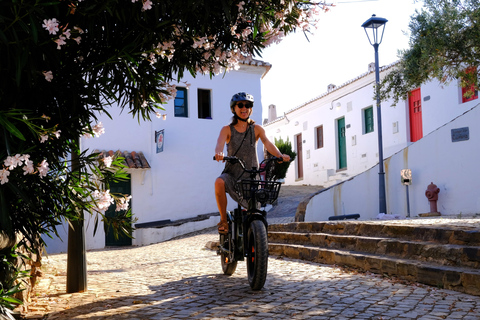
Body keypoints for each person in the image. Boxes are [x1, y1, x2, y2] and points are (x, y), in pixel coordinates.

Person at [214, 92, 290, 234]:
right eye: (240, 105)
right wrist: (219, 153)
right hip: (232, 174)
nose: (244, 108)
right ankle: (223, 219)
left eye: (248, 105)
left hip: (251, 175)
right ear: (233, 109)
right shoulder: (227, 129)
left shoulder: (257, 129)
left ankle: (255, 240)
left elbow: (267, 143)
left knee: (254, 211)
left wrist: (279, 155)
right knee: (219, 182)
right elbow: (219, 143)